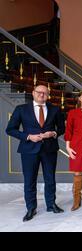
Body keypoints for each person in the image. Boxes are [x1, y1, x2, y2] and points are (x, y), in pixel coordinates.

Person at [5, 84, 65, 222]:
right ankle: (31, 208)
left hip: (49, 149)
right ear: (33, 93)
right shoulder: (21, 109)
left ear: (48, 95)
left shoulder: (55, 109)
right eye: (39, 92)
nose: (42, 95)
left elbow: (62, 128)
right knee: (30, 180)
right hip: (29, 149)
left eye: (45, 93)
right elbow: (10, 129)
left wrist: (54, 133)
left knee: (50, 179)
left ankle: (51, 205)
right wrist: (28, 136)